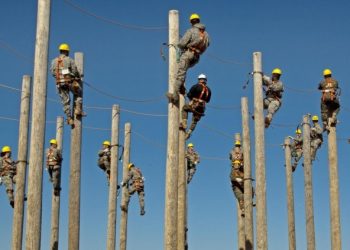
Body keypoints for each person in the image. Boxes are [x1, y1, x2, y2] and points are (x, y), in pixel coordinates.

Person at [166, 13, 210, 104]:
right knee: (183, 70)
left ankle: (174, 96)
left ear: (191, 22)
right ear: (198, 21)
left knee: (180, 73)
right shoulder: (206, 34)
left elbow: (181, 44)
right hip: (196, 58)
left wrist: (184, 46)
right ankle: (181, 86)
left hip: (188, 54)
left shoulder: (191, 31)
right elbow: (207, 44)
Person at [50, 43, 84, 126]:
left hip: (59, 84)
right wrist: (77, 77)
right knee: (79, 92)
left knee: (65, 101)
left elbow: (53, 73)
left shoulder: (54, 61)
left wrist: (61, 77)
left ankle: (69, 118)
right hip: (70, 82)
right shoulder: (69, 60)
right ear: (67, 52)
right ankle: (78, 109)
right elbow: (75, 71)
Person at [180, 73, 211, 139]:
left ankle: (184, 123)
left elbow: (189, 95)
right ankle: (189, 133)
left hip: (194, 105)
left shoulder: (196, 86)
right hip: (201, 108)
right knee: (195, 121)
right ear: (205, 80)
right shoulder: (209, 90)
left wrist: (192, 99)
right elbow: (208, 100)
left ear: (199, 80)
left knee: (185, 108)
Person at [229, 140, 245, 216]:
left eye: (238, 146)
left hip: (242, 185)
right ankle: (243, 210)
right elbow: (232, 178)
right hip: (236, 187)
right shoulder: (233, 172)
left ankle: (249, 203)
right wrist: (238, 180)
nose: (237, 147)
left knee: (250, 191)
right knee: (241, 197)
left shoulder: (242, 171)